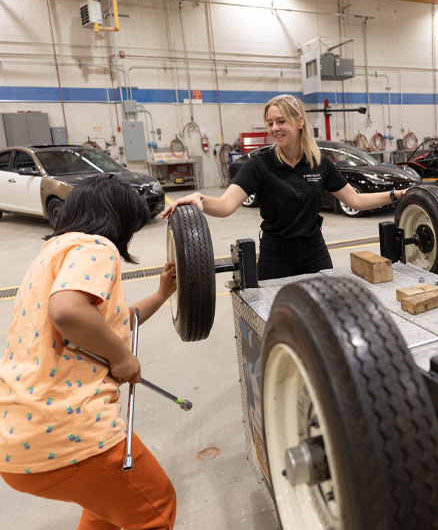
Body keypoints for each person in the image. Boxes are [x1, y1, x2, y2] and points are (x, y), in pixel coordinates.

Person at [0, 175, 177, 529]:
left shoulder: (51, 254)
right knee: (155, 506)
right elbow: (68, 311)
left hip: (18, 437)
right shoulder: (96, 247)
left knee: (105, 509)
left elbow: (100, 325)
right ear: (118, 217)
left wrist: (160, 295)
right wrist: (123, 358)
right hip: (68, 429)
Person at [162, 93, 407, 280]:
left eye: (281, 121)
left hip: (315, 252)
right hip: (275, 256)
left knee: (323, 314)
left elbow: (355, 200)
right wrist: (200, 199)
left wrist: (397, 195)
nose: (274, 128)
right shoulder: (259, 165)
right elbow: (226, 205)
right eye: (270, 123)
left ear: (299, 121)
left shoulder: (319, 164)